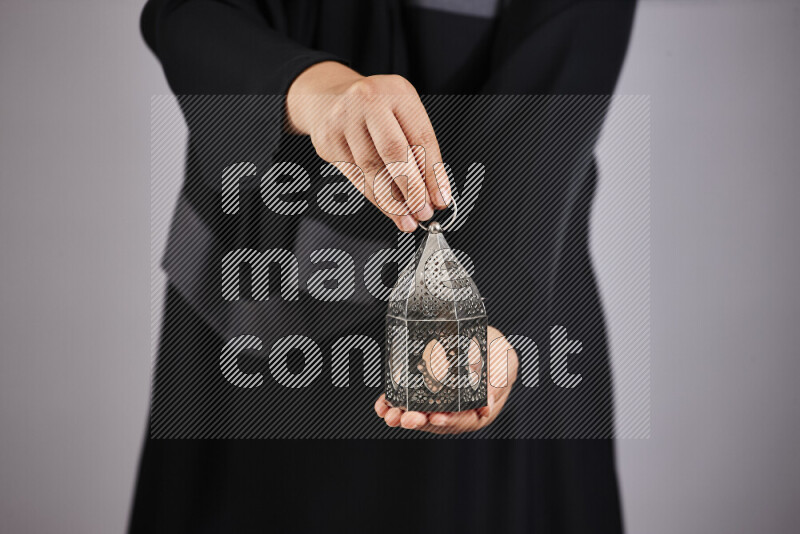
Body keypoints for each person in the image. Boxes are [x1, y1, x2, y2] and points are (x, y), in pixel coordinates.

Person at [131, 0, 636, 532]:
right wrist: (318, 93)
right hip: (251, 297)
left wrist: (481, 319)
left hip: (502, 271)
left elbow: (559, 87)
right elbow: (186, 13)